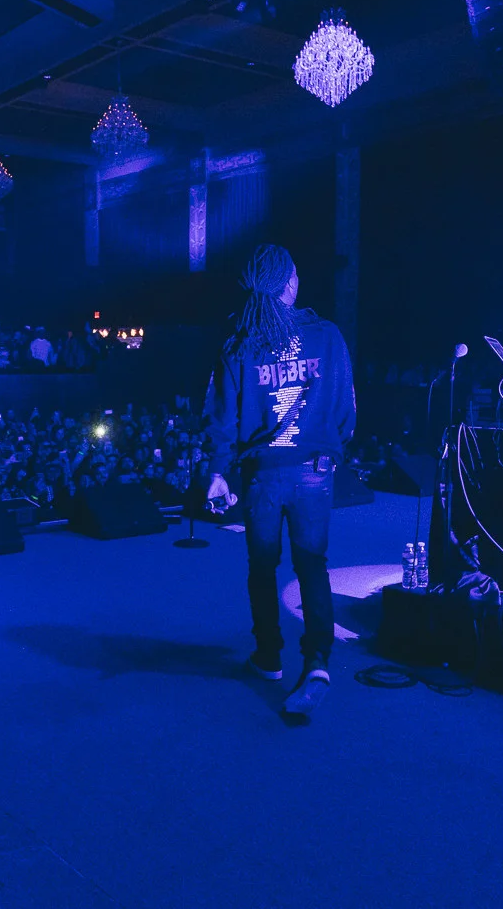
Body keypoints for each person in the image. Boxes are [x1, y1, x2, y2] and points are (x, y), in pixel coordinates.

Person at [205, 245, 356, 717]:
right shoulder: (327, 336)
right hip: (314, 469)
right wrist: (332, 448)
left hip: (263, 476)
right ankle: (317, 662)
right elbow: (346, 406)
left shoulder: (239, 344)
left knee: (262, 566)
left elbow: (222, 418)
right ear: (289, 283)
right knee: (312, 565)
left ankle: (268, 655)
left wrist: (217, 472)